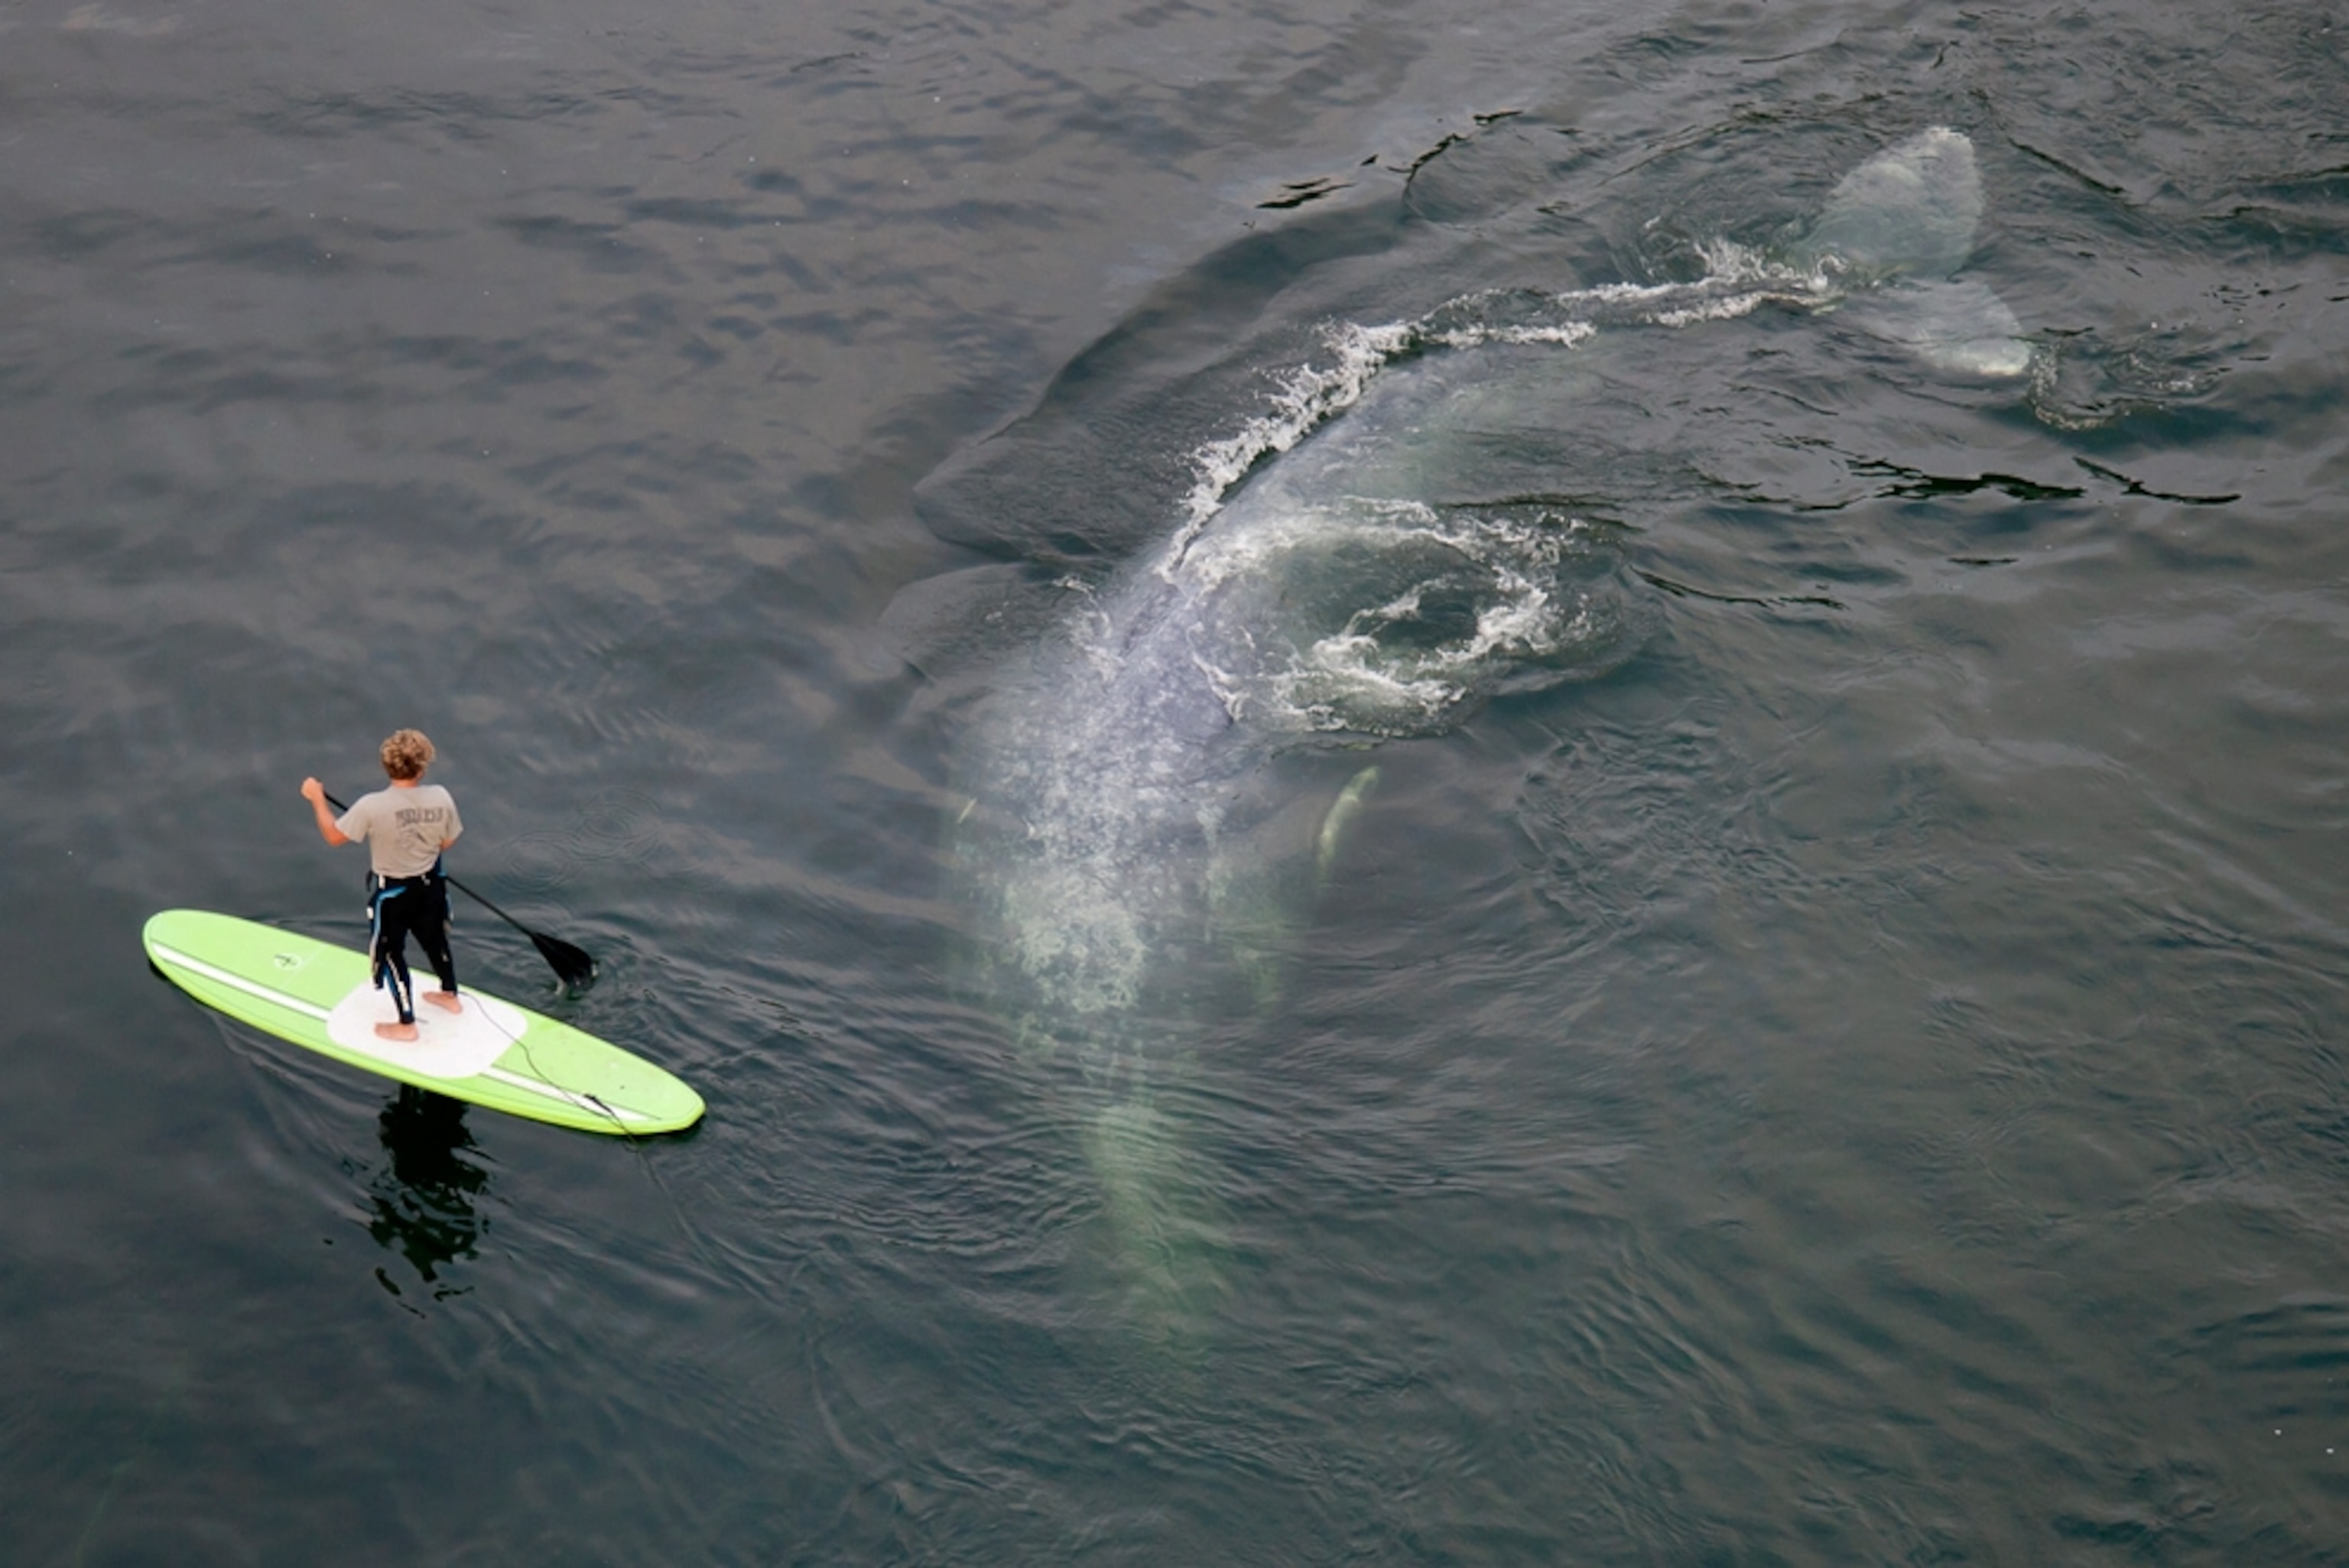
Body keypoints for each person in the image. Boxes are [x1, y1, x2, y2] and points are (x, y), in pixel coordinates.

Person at [301, 729, 465, 1042]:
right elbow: (447, 840)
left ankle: (407, 1025)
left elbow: (334, 837)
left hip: (394, 896)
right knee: (435, 941)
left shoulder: (370, 806)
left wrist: (318, 800)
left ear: (387, 766)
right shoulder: (441, 796)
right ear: (422, 767)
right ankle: (450, 995)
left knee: (391, 954)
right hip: (431, 887)